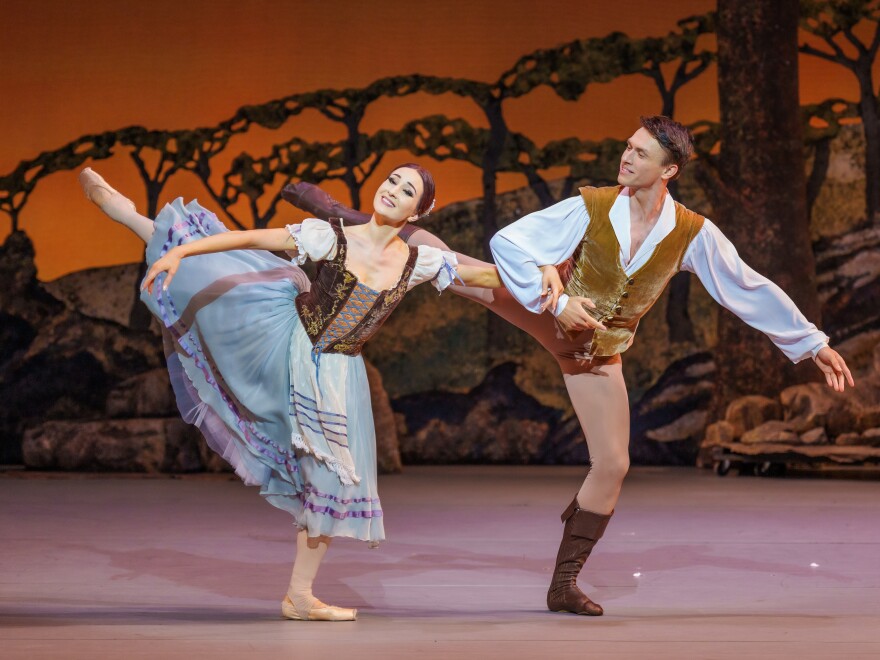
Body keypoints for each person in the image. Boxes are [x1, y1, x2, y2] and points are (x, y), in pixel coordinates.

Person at [281, 116, 854, 618]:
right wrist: (552, 296)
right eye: (627, 147)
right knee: (444, 264)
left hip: (597, 353)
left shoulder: (691, 233)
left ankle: (563, 584)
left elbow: (745, 287)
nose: (627, 157)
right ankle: (344, 221)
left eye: (641, 154)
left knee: (613, 464)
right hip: (546, 315)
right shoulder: (592, 205)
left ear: (669, 170)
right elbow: (509, 241)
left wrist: (810, 342)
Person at [79, 163, 552, 622]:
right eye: (391, 180)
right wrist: (182, 253)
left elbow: (490, 276)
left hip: (339, 374)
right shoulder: (331, 236)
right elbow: (250, 238)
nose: (391, 190)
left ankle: (299, 596)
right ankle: (134, 219)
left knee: (330, 479)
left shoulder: (419, 261)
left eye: (406, 190)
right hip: (288, 340)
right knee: (217, 272)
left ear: (420, 212)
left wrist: (551, 278)